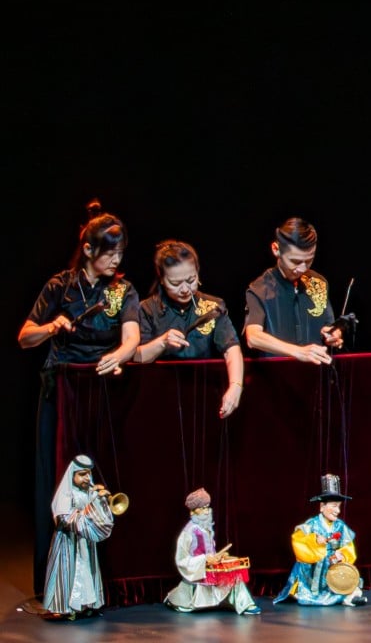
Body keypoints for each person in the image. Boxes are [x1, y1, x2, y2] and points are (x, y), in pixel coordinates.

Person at [18, 199, 140, 596]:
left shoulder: (122, 290)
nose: (116, 259)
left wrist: (120, 355)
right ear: (88, 250)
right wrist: (52, 326)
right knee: (61, 481)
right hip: (64, 391)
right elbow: (24, 337)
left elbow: (132, 336)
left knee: (105, 481)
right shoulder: (60, 286)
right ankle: (56, 582)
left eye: (120, 252)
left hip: (105, 390)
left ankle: (110, 580)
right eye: (110, 252)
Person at [134, 240, 244, 417]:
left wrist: (236, 386)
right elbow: (136, 356)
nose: (185, 289)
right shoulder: (146, 309)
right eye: (176, 283)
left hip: (203, 396)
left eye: (191, 280)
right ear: (161, 279)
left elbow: (231, 349)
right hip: (159, 399)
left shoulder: (213, 306)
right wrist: (162, 343)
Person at [243, 217, 344, 363]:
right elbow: (253, 337)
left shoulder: (319, 283)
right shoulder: (259, 289)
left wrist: (333, 335)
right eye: (295, 261)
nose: (303, 268)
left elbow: (329, 326)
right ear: (276, 250)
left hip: (316, 376)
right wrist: (298, 352)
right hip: (276, 377)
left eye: (309, 260)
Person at [40, 454, 116, 620]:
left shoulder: (90, 492)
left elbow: (100, 518)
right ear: (72, 474)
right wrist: (87, 515)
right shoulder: (67, 493)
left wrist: (101, 501)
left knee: (87, 572)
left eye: (88, 473)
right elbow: (64, 518)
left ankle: (87, 604)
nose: (86, 477)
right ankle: (67, 607)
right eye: (82, 474)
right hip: (68, 541)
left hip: (85, 542)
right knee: (70, 573)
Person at [273, 474, 368, 607]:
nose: (338, 510)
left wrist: (342, 555)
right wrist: (314, 541)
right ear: (322, 507)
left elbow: (348, 547)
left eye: (339, 506)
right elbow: (298, 540)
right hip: (312, 568)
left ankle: (349, 597)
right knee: (302, 592)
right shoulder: (312, 524)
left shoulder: (340, 526)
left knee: (348, 583)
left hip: (331, 566)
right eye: (334, 506)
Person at [164, 487, 261, 614]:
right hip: (198, 571)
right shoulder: (188, 532)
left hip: (210, 568)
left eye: (207, 507)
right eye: (202, 508)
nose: (206, 511)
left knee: (233, 574)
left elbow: (210, 552)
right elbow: (182, 559)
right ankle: (181, 600)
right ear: (194, 511)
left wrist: (219, 556)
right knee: (189, 602)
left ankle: (245, 604)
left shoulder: (207, 528)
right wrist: (204, 560)